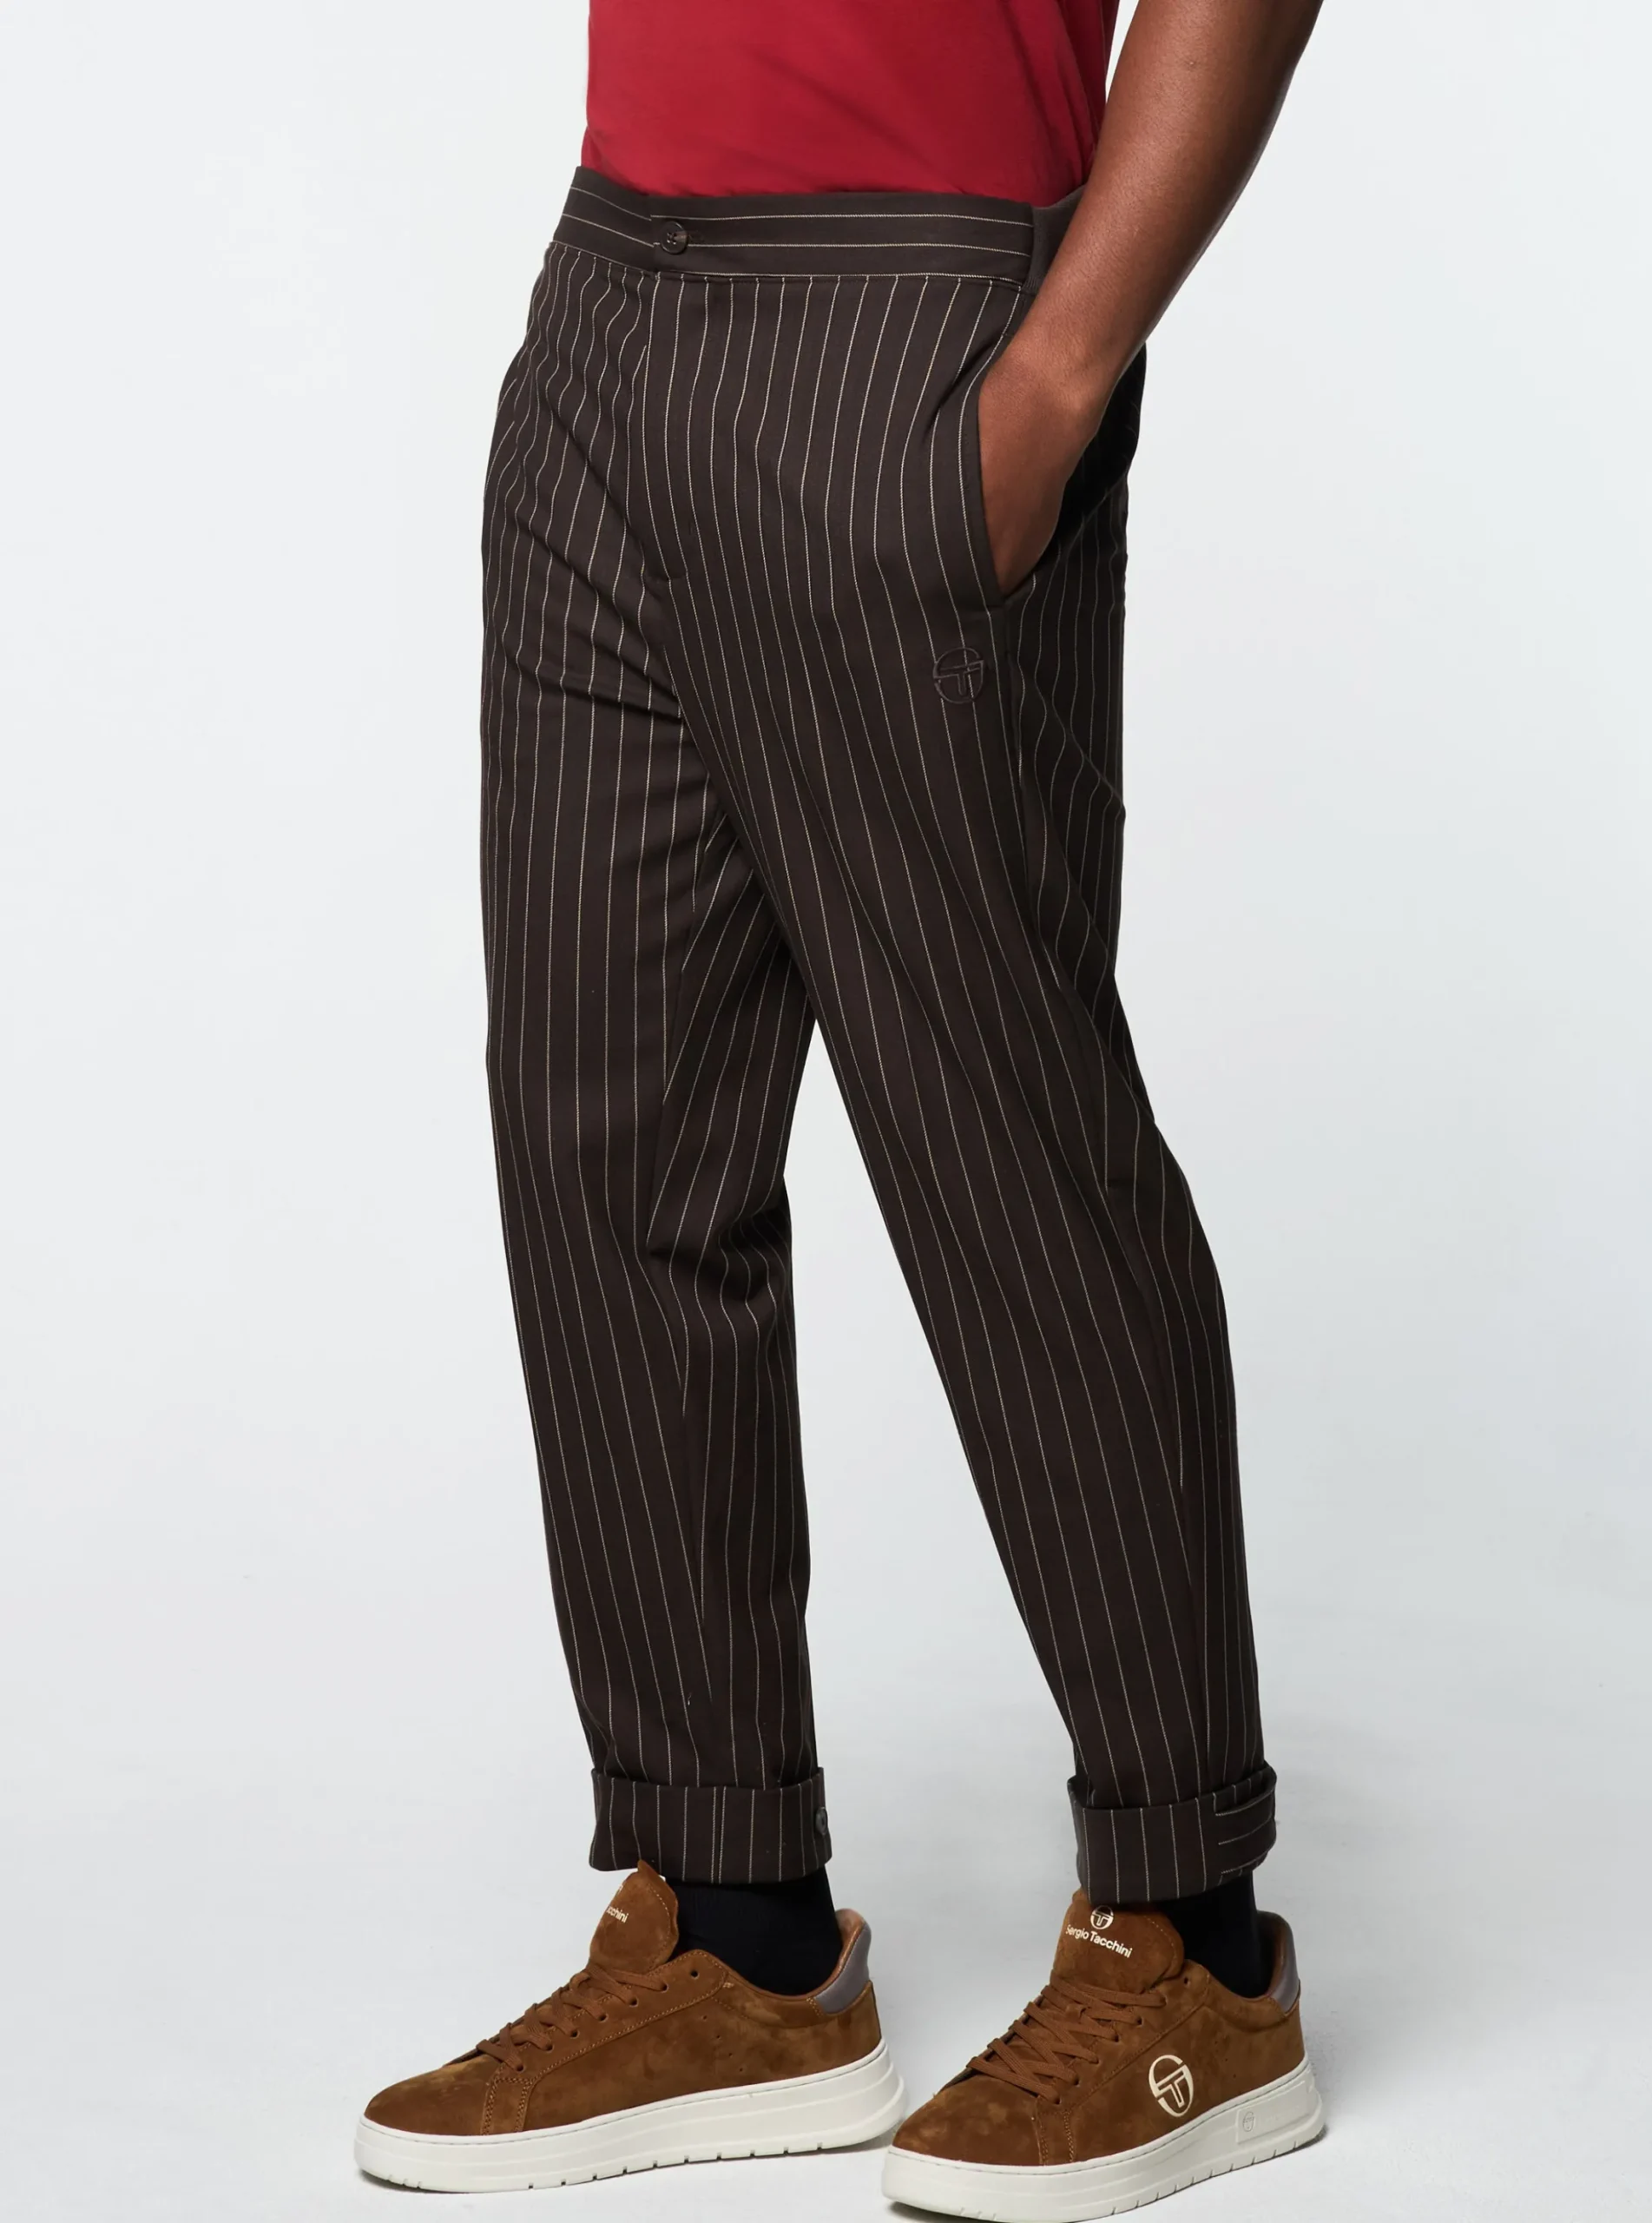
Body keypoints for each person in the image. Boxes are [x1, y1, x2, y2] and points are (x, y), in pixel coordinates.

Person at [355, 2, 1327, 2212]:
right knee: (608, 1143)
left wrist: (1058, 372)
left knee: (1007, 1152)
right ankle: (739, 1931)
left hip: (919, 306)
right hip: (613, 298)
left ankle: (1195, 1939)